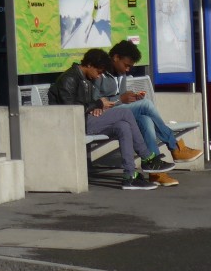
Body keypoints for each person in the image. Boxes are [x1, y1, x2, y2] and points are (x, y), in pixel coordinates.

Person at [48, 48, 174, 190]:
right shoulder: (69, 79)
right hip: (74, 123)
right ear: (89, 65)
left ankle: (129, 175)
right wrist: (97, 104)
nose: (98, 76)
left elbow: (88, 103)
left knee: (123, 127)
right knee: (125, 114)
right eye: (99, 72)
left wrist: (97, 107)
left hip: (86, 119)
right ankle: (147, 157)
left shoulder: (86, 78)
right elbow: (70, 110)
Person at [96, 40, 201, 186]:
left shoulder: (121, 74)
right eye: (126, 65)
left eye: (130, 67)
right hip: (104, 115)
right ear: (115, 57)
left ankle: (156, 173)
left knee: (146, 120)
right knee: (146, 105)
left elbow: (122, 96)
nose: (127, 70)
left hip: (122, 112)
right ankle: (175, 147)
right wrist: (121, 99)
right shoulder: (99, 73)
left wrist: (132, 98)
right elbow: (96, 101)